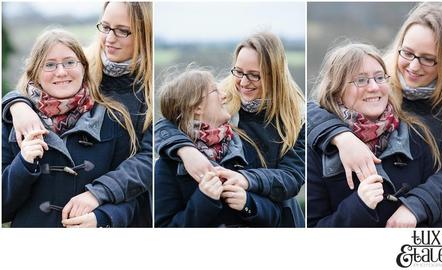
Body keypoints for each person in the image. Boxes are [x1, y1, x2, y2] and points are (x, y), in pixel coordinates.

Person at [2, 2, 153, 226]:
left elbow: (146, 163)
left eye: (123, 31)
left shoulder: (121, 112)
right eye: (105, 27)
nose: (109, 39)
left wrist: (101, 204)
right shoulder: (84, 62)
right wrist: (15, 104)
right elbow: (29, 86)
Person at [307, 2, 442, 227]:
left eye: (427, 58)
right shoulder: (379, 76)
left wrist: (416, 206)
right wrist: (341, 137)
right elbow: (313, 107)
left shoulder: (441, 116)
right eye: (407, 53)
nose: (413, 67)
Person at [155, 32, 305, 227]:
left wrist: (246, 181)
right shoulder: (222, 99)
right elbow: (171, 119)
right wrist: (186, 150)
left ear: (274, 75)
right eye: (238, 72)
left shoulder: (296, 117)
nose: (242, 83)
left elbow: (292, 178)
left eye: (254, 76)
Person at [156, 69, 282, 227]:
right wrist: (203, 201)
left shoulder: (247, 145)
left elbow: (278, 215)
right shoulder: (168, 165)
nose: (225, 95)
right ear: (197, 107)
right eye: (215, 91)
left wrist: (249, 204)